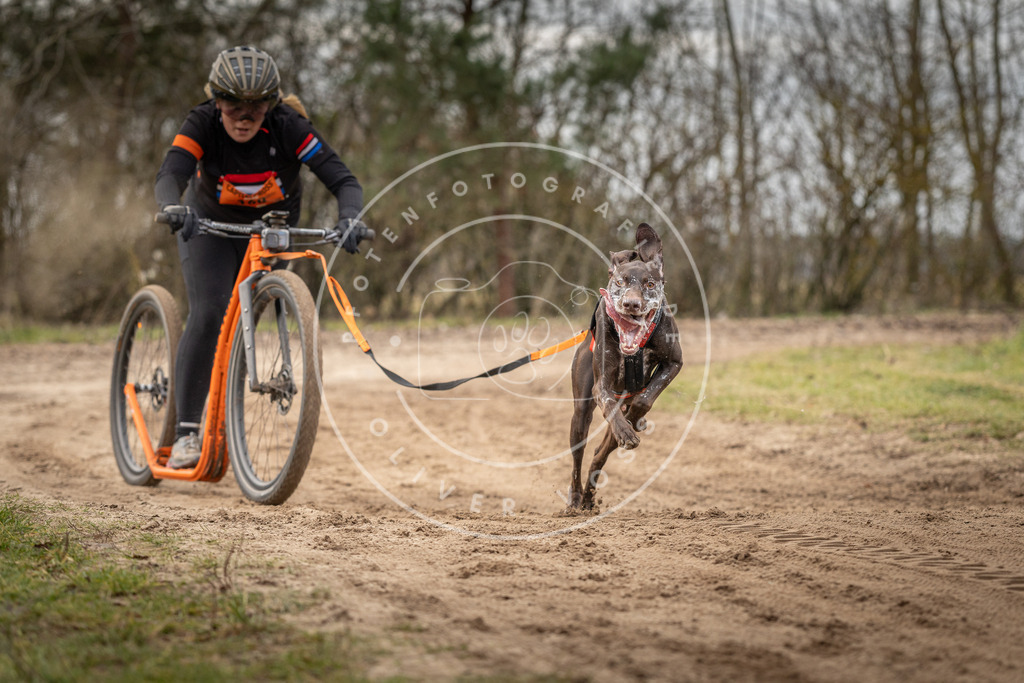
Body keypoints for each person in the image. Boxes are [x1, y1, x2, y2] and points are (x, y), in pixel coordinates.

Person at [155, 45, 365, 469]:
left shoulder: (290, 127)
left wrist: (349, 219)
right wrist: (174, 207)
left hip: (273, 228)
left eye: (256, 105)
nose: (244, 116)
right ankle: (187, 432)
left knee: (251, 311)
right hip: (210, 229)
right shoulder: (202, 122)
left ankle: (230, 400)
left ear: (271, 105)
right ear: (217, 100)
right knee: (211, 311)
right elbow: (171, 174)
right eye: (233, 104)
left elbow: (342, 180)